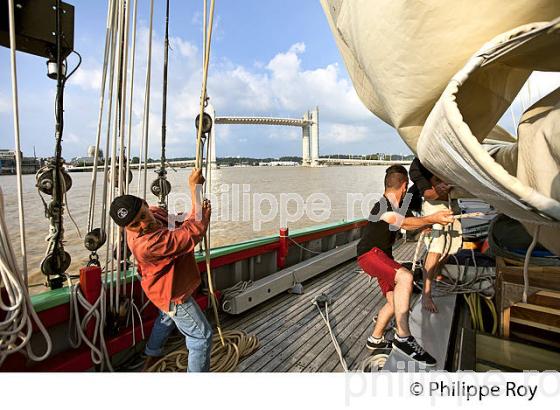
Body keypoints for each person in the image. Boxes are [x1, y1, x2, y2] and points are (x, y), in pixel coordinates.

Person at [109, 169, 213, 372]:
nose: (143, 225)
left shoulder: (155, 212)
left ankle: (151, 355)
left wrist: (197, 208)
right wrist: (196, 191)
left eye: (142, 215)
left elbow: (180, 223)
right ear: (125, 229)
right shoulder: (146, 245)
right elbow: (192, 233)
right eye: (133, 225)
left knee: (166, 317)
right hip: (171, 292)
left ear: (146, 205)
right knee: (201, 337)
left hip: (156, 285)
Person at [357, 165, 454, 366]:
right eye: (405, 189)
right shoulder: (383, 205)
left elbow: (406, 222)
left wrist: (425, 225)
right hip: (370, 256)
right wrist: (432, 218)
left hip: (382, 257)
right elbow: (401, 223)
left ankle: (375, 339)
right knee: (406, 277)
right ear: (404, 187)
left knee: (394, 302)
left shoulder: (393, 205)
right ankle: (403, 337)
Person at [409, 157, 462, 313]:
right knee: (436, 248)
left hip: (452, 203)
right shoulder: (417, 166)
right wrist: (438, 190)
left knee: (452, 247)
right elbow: (428, 194)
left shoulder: (450, 156)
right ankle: (426, 293)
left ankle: (436, 274)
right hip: (433, 206)